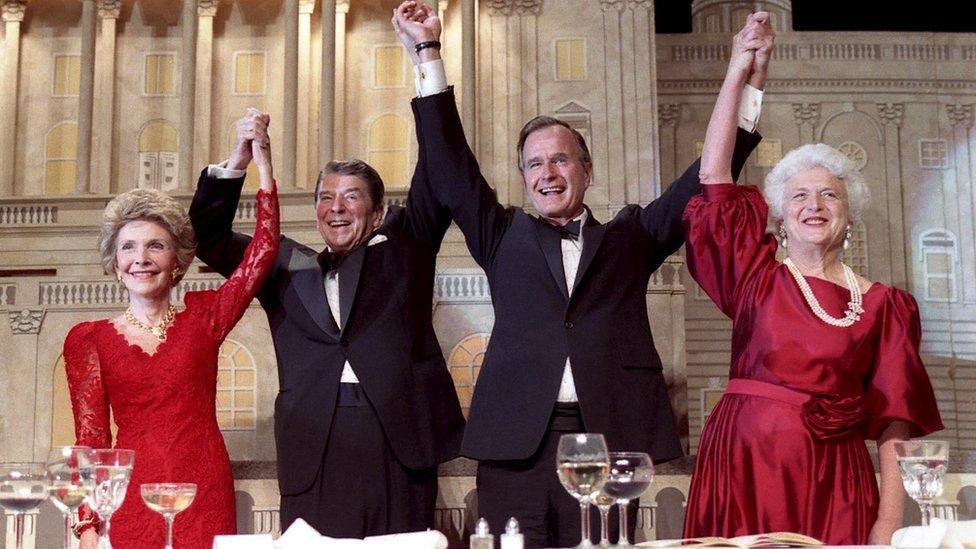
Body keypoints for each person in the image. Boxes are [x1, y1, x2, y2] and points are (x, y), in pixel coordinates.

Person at [392, 3, 769, 546]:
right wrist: (427, 52)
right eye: (535, 164)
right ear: (522, 178)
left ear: (586, 170)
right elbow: (450, 165)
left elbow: (705, 179)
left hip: (608, 443)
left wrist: (746, 79)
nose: (548, 174)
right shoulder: (501, 235)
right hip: (514, 448)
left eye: (561, 160)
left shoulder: (629, 239)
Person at [682, 13, 944, 546]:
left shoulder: (885, 306)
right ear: (780, 214)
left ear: (849, 214)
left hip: (835, 482)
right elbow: (715, 176)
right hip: (742, 467)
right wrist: (740, 72)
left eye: (829, 194)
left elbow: (896, 430)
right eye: (798, 195)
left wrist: (887, 525)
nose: (814, 204)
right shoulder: (754, 278)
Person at [187, 109, 465, 536]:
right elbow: (208, 238)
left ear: (376, 214)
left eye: (352, 196)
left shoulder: (405, 250)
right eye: (325, 197)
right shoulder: (282, 263)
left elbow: (437, 174)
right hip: (313, 447)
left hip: (398, 443)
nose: (336, 208)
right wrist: (238, 162)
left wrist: (427, 68)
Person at [64, 116, 279, 549]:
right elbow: (92, 441)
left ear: (177, 262)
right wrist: (88, 526)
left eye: (155, 246)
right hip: (129, 497)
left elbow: (263, 252)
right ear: (115, 264)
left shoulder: (206, 318)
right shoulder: (89, 339)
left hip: (204, 487)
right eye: (128, 247)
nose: (140, 258)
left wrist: (262, 166)